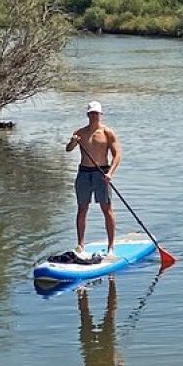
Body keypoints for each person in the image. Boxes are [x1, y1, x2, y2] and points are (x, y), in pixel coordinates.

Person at [66, 101, 121, 257]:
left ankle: (111, 247)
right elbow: (68, 149)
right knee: (82, 209)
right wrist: (73, 142)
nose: (93, 116)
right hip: (83, 173)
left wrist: (110, 173)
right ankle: (80, 246)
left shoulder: (107, 133)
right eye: (91, 113)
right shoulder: (80, 133)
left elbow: (117, 155)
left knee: (107, 209)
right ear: (87, 114)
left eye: (96, 113)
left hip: (102, 174)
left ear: (100, 114)